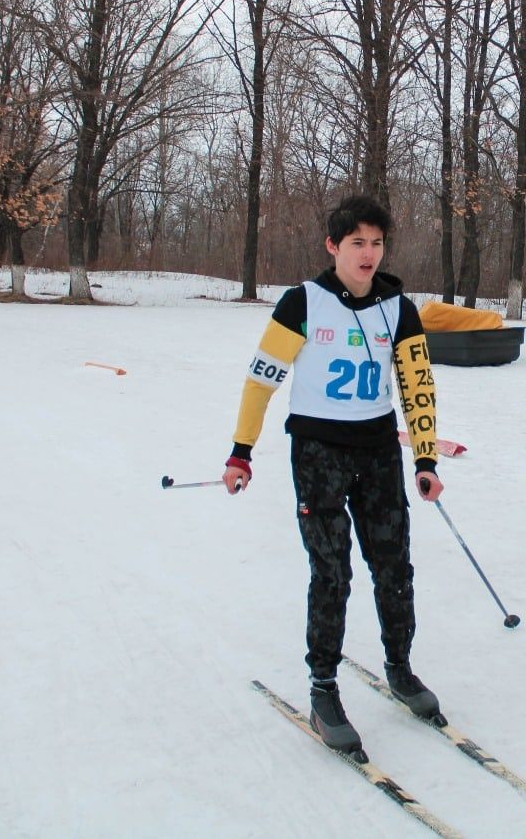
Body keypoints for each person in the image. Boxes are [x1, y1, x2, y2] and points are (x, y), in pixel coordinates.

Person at [221, 195, 443, 756]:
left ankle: (399, 667)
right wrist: (240, 452)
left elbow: (418, 387)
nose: (368, 255)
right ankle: (323, 688)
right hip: (318, 453)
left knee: (394, 566)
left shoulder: (400, 308)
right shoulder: (303, 304)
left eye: (376, 243)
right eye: (356, 244)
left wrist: (424, 459)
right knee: (333, 572)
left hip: (377, 453)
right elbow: (260, 381)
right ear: (333, 247)